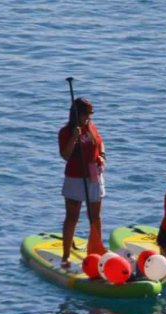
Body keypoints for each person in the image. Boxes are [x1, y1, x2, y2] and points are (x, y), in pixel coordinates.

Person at [58, 97, 106, 267]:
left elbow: (100, 144)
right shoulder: (65, 132)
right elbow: (65, 155)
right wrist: (74, 138)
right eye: (85, 114)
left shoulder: (91, 127)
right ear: (76, 114)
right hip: (75, 178)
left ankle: (96, 250)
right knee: (72, 217)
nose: (88, 117)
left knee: (95, 217)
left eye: (90, 114)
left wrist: (102, 157)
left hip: (93, 176)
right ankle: (65, 255)